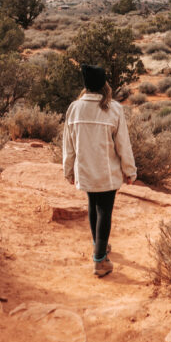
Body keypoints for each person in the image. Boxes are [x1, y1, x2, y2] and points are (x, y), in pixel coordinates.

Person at [62, 63, 137, 277]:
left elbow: (68, 144)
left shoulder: (74, 108)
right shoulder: (113, 108)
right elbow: (123, 144)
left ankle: (99, 246)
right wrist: (129, 170)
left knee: (93, 205)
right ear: (104, 84)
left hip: (85, 170)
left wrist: (68, 170)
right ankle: (100, 260)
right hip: (107, 172)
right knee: (104, 210)